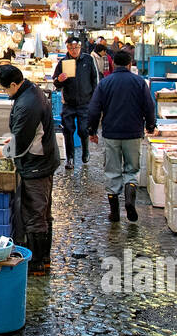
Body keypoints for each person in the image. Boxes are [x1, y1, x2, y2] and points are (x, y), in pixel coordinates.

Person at [0, 64, 60, 275]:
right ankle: (43, 259)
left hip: (37, 164)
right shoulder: (29, 91)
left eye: (4, 89)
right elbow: (26, 133)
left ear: (13, 84)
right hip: (41, 160)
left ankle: (37, 263)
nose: (5, 93)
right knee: (41, 211)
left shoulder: (27, 103)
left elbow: (22, 140)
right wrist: (11, 141)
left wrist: (5, 150)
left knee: (35, 213)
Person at [87, 49, 155, 224]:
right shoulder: (139, 82)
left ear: (114, 64)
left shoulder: (105, 83)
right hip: (133, 133)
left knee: (112, 171)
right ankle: (130, 202)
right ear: (129, 64)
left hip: (111, 133)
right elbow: (149, 106)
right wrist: (150, 125)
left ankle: (114, 212)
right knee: (131, 169)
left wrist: (92, 130)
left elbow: (94, 109)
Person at [52, 37, 100, 169]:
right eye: (71, 48)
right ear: (67, 48)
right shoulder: (63, 62)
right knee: (68, 130)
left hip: (85, 102)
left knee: (84, 129)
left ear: (80, 47)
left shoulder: (88, 60)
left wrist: (95, 99)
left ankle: (85, 151)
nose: (74, 50)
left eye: (76, 47)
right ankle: (70, 158)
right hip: (68, 103)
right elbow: (55, 82)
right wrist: (59, 79)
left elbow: (95, 79)